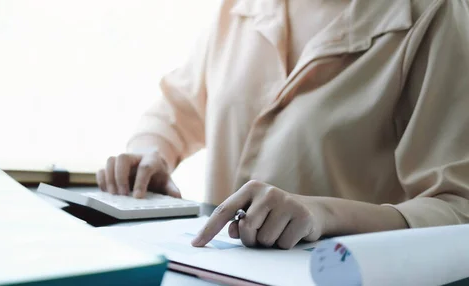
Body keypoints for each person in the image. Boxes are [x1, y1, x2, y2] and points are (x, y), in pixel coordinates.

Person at [96, 0, 469, 249]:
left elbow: (458, 210)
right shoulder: (242, 7)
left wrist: (326, 216)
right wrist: (150, 153)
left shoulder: (438, 15)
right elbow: (179, 107)